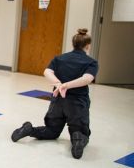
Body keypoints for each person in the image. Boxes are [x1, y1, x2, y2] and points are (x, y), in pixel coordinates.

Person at [11, 28, 98, 159]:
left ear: (73, 44)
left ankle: (29, 129)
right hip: (77, 104)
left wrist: (59, 85)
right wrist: (66, 86)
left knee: (51, 131)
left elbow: (47, 72)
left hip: (57, 101)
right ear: (88, 46)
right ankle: (78, 138)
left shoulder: (60, 58)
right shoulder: (91, 62)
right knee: (80, 130)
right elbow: (87, 78)